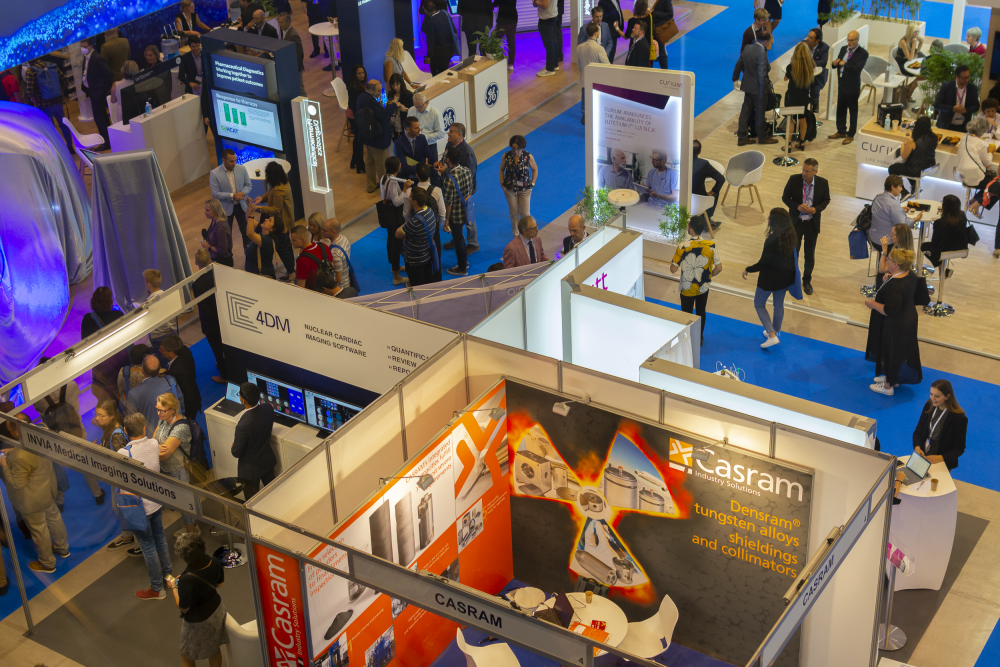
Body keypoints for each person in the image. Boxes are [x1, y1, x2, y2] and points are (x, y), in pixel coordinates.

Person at [0, 412, 70, 574]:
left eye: (10, 429)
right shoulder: (40, 439)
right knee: (55, 520)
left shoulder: (20, 456)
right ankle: (62, 548)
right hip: (48, 491)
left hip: (31, 501)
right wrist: (14, 450)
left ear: (16, 432)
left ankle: (47, 563)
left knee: (39, 531)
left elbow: (16, 484)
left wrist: (4, 465)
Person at [115, 413, 174, 600]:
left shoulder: (123, 454)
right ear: (143, 428)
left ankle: (157, 588)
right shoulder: (154, 444)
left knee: (148, 546)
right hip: (156, 502)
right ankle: (169, 578)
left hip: (138, 508)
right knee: (160, 538)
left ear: (125, 431)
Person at [166, 532, 230, 667]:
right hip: (217, 611)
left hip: (198, 622)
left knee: (186, 656)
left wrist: (174, 588)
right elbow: (220, 585)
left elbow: (184, 608)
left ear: (184, 556)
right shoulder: (215, 561)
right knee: (214, 649)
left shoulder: (186, 579)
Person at [864, 248, 922, 395]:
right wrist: (888, 281)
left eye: (888, 259)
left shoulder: (895, 286)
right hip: (908, 318)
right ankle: (891, 377)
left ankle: (887, 386)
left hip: (896, 325)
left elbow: (890, 310)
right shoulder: (909, 274)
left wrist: (873, 304)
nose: (886, 261)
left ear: (895, 264)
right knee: (898, 352)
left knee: (891, 352)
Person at [743, 209, 797, 349]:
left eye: (770, 217)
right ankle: (774, 332)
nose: (767, 218)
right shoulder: (791, 236)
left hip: (769, 280)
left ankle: (772, 335)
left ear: (775, 222)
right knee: (778, 306)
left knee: (759, 304)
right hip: (784, 279)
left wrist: (748, 269)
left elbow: (763, 263)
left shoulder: (772, 240)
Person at [781, 158, 829, 296]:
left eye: (807, 171)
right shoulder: (794, 179)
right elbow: (785, 198)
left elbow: (826, 200)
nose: (803, 173)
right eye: (803, 169)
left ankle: (806, 281)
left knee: (809, 255)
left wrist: (816, 209)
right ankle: (790, 279)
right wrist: (797, 206)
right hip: (796, 223)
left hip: (812, 225)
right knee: (792, 253)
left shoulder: (823, 183)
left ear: (815, 172)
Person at [153, 392, 199, 536]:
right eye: (157, 409)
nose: (158, 413)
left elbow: (164, 455)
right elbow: (153, 440)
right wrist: (157, 446)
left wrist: (156, 448)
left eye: (162, 410)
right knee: (178, 502)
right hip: (165, 469)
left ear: (172, 410)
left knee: (185, 504)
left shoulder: (181, 428)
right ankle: (190, 529)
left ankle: (191, 535)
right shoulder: (163, 421)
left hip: (177, 471)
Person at [670, 216, 721, 344]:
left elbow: (673, 269)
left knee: (686, 314)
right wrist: (709, 276)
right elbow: (719, 268)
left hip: (687, 288)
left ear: (691, 229)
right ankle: (699, 338)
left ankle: (686, 340)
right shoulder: (711, 245)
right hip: (703, 287)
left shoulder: (682, 246)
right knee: (701, 312)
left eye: (688, 225)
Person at [249, 161, 295, 278]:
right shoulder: (281, 183)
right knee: (286, 247)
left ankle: (291, 272)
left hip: (280, 223)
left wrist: (259, 208)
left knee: (282, 248)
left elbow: (276, 209)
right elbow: (270, 193)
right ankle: (291, 270)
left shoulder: (279, 189)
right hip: (284, 221)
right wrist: (262, 198)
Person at [438, 124, 479, 253]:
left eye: (451, 131)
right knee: (454, 217)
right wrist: (440, 164)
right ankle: (457, 239)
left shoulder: (467, 152)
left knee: (468, 216)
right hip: (450, 186)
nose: (448, 133)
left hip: (464, 191)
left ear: (459, 134)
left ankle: (473, 243)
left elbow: (469, 174)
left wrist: (447, 171)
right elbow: (445, 159)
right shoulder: (449, 145)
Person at [232, 383, 276, 498]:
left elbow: (236, 452)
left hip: (250, 470)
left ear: (243, 400)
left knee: (252, 502)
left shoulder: (242, 426)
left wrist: (233, 446)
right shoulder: (268, 408)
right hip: (267, 461)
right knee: (274, 495)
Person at [82, 286, 126, 402]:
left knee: (105, 398)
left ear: (93, 300)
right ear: (110, 300)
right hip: (121, 361)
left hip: (101, 365)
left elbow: (84, 342)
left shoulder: (87, 319)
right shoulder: (118, 315)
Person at [126, 355, 186, 438]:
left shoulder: (133, 394)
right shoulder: (171, 382)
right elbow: (181, 406)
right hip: (176, 433)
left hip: (152, 439)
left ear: (142, 370)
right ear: (159, 369)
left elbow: (133, 423)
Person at [912, 380, 967, 470]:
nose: (932, 398)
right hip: (922, 456)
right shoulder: (929, 405)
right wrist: (917, 447)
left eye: (937, 396)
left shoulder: (959, 418)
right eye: (931, 394)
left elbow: (959, 448)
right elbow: (918, 431)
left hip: (941, 462)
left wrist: (941, 458)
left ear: (947, 396)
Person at [734, 31, 777, 146]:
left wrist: (735, 78)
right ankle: (762, 137)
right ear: (766, 41)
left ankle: (742, 137)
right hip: (758, 89)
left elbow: (739, 64)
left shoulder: (747, 48)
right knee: (760, 113)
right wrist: (764, 88)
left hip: (748, 87)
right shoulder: (762, 53)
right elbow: (761, 74)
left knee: (745, 112)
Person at [405, 163, 446, 280]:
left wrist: (410, 227)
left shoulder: (410, 191)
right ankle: (438, 281)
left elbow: (406, 214)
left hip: (416, 229)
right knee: (436, 258)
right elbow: (442, 214)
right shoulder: (437, 190)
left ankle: (421, 282)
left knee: (420, 260)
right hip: (433, 229)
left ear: (416, 175)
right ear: (429, 175)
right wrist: (436, 227)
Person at [357, 79, 399, 193]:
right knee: (382, 166)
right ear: (371, 90)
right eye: (379, 91)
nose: (381, 93)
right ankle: (385, 190)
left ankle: (371, 185)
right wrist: (393, 105)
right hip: (378, 138)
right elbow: (382, 114)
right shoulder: (372, 101)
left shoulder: (361, 96)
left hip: (367, 135)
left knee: (370, 162)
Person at [441, 146, 476, 276]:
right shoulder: (467, 171)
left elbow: (448, 202)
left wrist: (446, 220)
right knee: (460, 238)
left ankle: (462, 267)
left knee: (458, 240)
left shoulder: (449, 179)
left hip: (455, 215)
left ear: (448, 160)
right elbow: (470, 189)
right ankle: (464, 262)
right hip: (467, 210)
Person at [192, 250, 225, 383]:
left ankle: (224, 376)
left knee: (217, 349)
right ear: (210, 261)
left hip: (211, 324)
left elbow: (204, 309)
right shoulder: (219, 274)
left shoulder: (197, 285)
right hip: (224, 317)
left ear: (196, 263)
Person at [828, 30, 867, 145]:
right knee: (840, 109)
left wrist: (844, 64)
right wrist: (834, 63)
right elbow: (838, 63)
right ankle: (841, 131)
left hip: (852, 86)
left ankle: (850, 134)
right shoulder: (843, 49)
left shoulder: (863, 53)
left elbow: (857, 68)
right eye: (848, 40)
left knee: (853, 111)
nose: (849, 43)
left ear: (857, 40)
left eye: (851, 40)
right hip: (842, 84)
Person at [24, 59, 73, 151]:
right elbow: (65, 79)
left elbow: (29, 91)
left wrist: (34, 99)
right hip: (57, 102)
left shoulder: (30, 71)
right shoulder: (51, 64)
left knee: (50, 129)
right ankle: (70, 147)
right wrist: (60, 91)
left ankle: (57, 151)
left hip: (43, 104)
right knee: (63, 124)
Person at [210, 149, 253, 249]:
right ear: (223, 160)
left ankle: (249, 255)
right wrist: (233, 195)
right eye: (231, 161)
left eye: (235, 160)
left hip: (242, 207)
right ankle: (228, 256)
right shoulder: (214, 173)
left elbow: (248, 185)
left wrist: (242, 193)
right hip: (225, 209)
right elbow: (215, 193)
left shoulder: (241, 168)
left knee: (247, 233)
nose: (234, 163)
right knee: (226, 236)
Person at [396, 187, 439, 286]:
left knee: (418, 288)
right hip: (427, 256)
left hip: (415, 261)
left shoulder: (414, 222)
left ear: (415, 201)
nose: (409, 198)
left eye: (410, 197)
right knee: (428, 283)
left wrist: (407, 226)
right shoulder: (430, 211)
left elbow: (397, 233)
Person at [888, 115, 938, 197]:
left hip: (915, 170)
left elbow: (904, 156)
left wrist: (903, 145)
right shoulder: (934, 138)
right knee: (906, 166)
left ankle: (904, 192)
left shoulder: (913, 140)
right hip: (929, 167)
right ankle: (914, 187)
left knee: (892, 168)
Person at [380, 157, 412, 285]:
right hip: (394, 216)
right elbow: (397, 202)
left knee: (391, 241)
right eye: (399, 163)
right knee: (396, 244)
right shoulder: (393, 182)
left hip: (388, 215)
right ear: (396, 167)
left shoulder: (384, 177)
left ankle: (395, 267)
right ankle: (396, 276)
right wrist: (405, 189)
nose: (401, 164)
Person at [499, 135, 539, 237]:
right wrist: (502, 183)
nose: (515, 151)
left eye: (518, 149)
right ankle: (516, 236)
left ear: (522, 148)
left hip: (525, 189)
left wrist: (532, 183)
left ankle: (527, 234)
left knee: (525, 214)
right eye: (513, 148)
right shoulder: (506, 156)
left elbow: (535, 169)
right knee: (514, 214)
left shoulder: (528, 156)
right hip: (510, 189)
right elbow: (501, 169)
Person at [80, 38, 113, 149]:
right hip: (92, 92)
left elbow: (108, 73)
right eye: (81, 46)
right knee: (101, 117)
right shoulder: (86, 57)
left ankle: (106, 142)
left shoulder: (96, 58)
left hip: (98, 93)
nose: (82, 49)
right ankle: (108, 140)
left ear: (91, 46)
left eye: (84, 47)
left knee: (100, 118)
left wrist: (104, 89)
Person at [160, 335, 202, 421]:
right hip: (195, 394)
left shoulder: (177, 371)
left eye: (162, 350)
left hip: (189, 407)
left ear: (171, 353)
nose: (159, 351)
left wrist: (184, 414)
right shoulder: (184, 349)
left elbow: (188, 395)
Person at [870, 175, 918, 251]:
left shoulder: (878, 197)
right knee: (906, 235)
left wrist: (899, 210)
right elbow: (903, 225)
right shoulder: (894, 204)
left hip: (873, 238)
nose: (902, 189)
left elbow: (886, 211)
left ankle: (883, 257)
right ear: (893, 187)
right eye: (900, 186)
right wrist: (916, 219)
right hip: (886, 243)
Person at [922, 194, 969, 267]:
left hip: (943, 251)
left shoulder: (939, 222)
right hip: (961, 248)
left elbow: (935, 242)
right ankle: (943, 269)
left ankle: (941, 267)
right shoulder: (963, 216)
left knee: (923, 246)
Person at [783, 43, 815, 150]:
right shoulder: (810, 66)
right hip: (804, 97)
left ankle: (788, 144)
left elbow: (786, 79)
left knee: (791, 120)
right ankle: (802, 142)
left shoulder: (791, 67)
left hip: (792, 97)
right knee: (803, 118)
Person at [577, 22, 610, 123]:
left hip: (584, 78)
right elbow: (607, 66)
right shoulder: (599, 49)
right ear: (596, 33)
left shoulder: (579, 47)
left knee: (584, 99)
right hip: (597, 80)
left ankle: (585, 117)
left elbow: (578, 65)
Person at [936, 64, 980, 132]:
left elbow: (976, 106)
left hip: (963, 126)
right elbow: (937, 105)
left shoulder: (972, 88)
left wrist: (965, 110)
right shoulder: (946, 86)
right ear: (957, 77)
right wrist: (953, 108)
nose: (967, 80)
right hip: (947, 124)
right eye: (964, 78)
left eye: (968, 77)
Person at [691, 139, 725, 227]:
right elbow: (721, 179)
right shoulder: (703, 164)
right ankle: (706, 221)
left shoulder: (680, 161)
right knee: (715, 194)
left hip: (680, 198)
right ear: (700, 151)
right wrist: (713, 191)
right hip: (698, 200)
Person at [291, 224, 334, 289]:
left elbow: (301, 288)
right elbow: (331, 267)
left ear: (303, 240)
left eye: (294, 240)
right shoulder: (324, 246)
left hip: (313, 292)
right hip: (328, 288)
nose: (291, 242)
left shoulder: (302, 260)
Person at [956, 117, 994, 190]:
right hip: (975, 177)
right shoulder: (981, 143)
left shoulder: (964, 137)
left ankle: (976, 197)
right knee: (994, 185)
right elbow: (987, 163)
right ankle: (979, 197)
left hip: (961, 175)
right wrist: (990, 152)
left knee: (989, 185)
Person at [408, 93, 446, 164]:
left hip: (429, 146)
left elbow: (441, 133)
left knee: (432, 169)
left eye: (419, 106)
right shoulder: (411, 110)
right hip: (414, 146)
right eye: (415, 106)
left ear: (426, 102)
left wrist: (424, 137)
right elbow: (407, 127)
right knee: (416, 168)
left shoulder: (435, 113)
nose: (417, 109)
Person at [423, 0, 456, 76]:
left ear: (425, 10)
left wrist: (428, 56)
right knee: (444, 71)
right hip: (449, 49)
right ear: (434, 6)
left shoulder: (431, 22)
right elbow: (453, 29)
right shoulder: (444, 13)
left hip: (438, 53)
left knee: (438, 75)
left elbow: (431, 42)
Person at [277, 12, 306, 95]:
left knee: (300, 89)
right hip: (289, 66)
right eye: (279, 22)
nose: (279, 24)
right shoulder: (284, 31)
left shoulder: (293, 35)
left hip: (295, 68)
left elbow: (299, 54)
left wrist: (296, 70)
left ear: (288, 22)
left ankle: (304, 103)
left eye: (281, 22)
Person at [346, 64, 368, 173]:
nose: (361, 75)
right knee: (359, 138)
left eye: (362, 72)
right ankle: (360, 163)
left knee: (358, 138)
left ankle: (355, 160)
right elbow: (353, 105)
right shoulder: (353, 88)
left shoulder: (361, 84)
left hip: (358, 113)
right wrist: (359, 119)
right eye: (359, 73)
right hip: (354, 115)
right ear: (355, 74)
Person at [200, 198, 233, 267]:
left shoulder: (221, 226)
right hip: (216, 260)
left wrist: (208, 246)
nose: (204, 212)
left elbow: (223, 251)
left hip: (223, 263)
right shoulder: (214, 221)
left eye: (207, 210)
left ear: (216, 211)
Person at [896, 24, 924, 101]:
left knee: (924, 75)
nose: (917, 33)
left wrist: (917, 52)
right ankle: (908, 93)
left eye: (918, 31)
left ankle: (908, 90)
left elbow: (922, 40)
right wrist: (914, 44)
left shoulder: (915, 37)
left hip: (908, 62)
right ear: (910, 32)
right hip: (901, 64)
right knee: (921, 76)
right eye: (915, 32)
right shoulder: (903, 42)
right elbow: (910, 58)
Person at [805, 28, 829, 112]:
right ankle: (803, 112)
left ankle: (814, 111)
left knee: (815, 93)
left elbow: (823, 62)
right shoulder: (803, 44)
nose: (808, 39)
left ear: (817, 40)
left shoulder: (824, 47)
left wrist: (809, 62)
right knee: (802, 93)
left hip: (817, 77)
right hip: (805, 75)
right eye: (808, 36)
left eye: (811, 37)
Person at [536, 0, 561, 77]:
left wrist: (535, 1)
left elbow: (545, 5)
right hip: (552, 15)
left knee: (549, 44)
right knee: (553, 41)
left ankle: (549, 69)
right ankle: (554, 64)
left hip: (546, 18)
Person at [387, 73, 414, 140]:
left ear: (401, 83)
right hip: (393, 126)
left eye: (397, 84)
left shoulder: (408, 94)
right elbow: (388, 110)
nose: (395, 87)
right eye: (393, 85)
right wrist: (388, 105)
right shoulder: (390, 93)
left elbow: (414, 111)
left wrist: (405, 109)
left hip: (404, 125)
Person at [494, 0, 519, 70]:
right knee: (511, 41)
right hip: (513, 18)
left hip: (503, 20)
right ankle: (510, 64)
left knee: (495, 40)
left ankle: (496, 60)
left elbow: (494, 4)